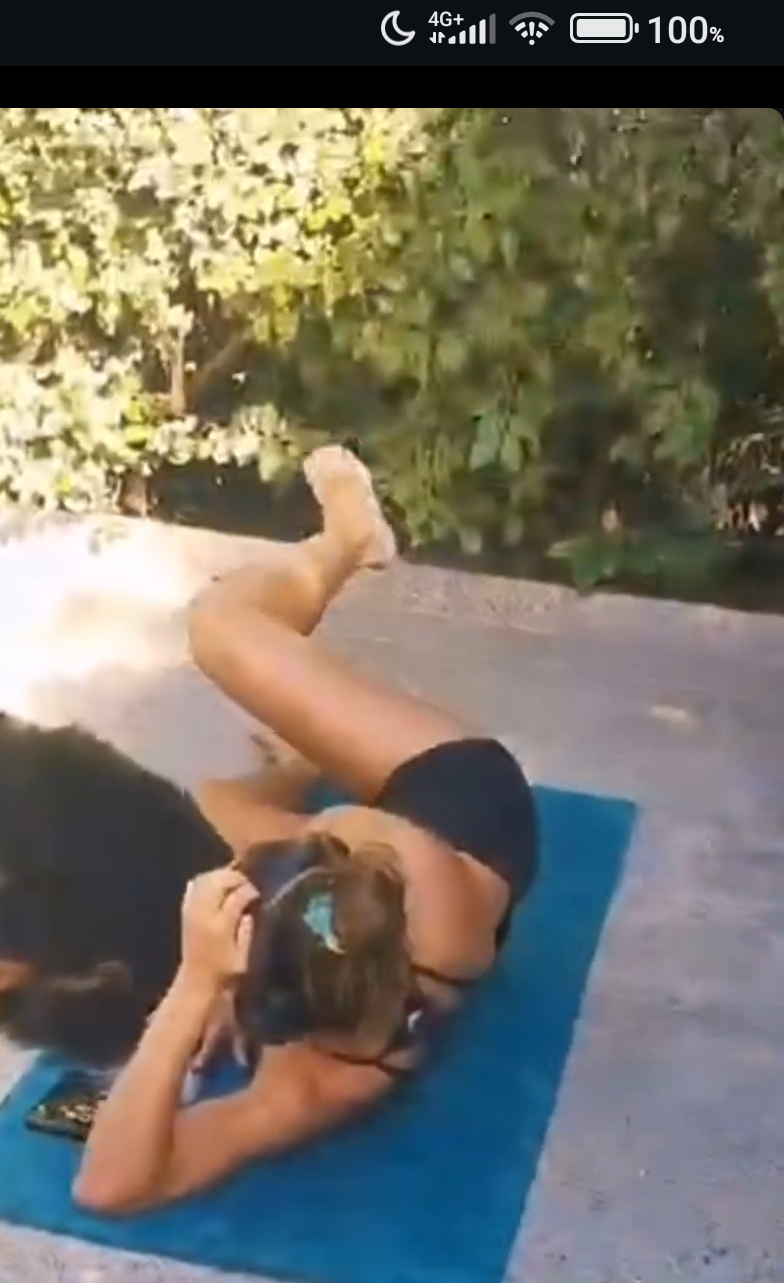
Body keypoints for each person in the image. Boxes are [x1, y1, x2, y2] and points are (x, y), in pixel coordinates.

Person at [73, 447, 539, 1216]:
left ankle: (343, 544)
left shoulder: (328, 1080)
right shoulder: (399, 868)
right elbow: (322, 843)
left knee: (206, 775)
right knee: (224, 639)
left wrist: (194, 985)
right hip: (468, 803)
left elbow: (107, 1186)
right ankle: (346, 554)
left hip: (388, 851)